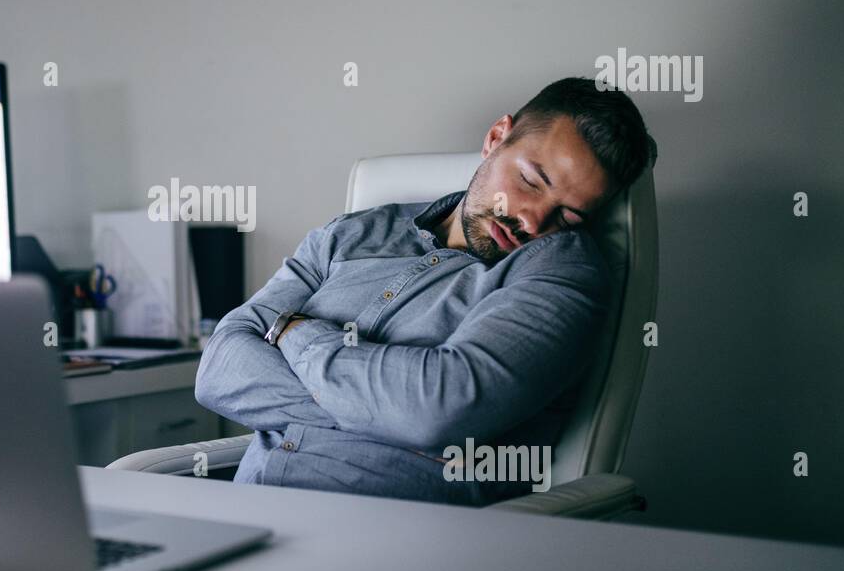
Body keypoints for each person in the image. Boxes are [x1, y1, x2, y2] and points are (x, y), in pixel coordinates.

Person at [194, 77, 657, 505]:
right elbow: (217, 370)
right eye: (530, 182)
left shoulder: (563, 270)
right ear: (496, 138)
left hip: (390, 556)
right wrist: (384, 411)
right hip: (245, 518)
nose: (534, 221)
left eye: (569, 217)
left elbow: (437, 411)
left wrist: (293, 332)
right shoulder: (352, 234)